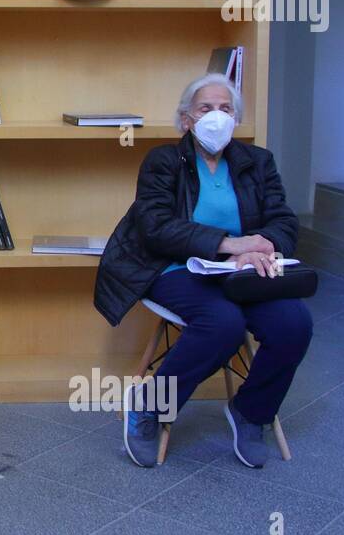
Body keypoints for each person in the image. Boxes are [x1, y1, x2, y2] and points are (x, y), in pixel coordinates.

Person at [94, 73, 312, 469]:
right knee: (222, 323)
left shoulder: (258, 162)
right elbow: (156, 227)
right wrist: (230, 244)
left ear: (236, 119)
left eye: (225, 109)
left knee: (294, 323)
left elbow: (284, 222)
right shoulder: (163, 161)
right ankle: (149, 406)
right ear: (186, 120)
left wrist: (260, 246)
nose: (216, 116)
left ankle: (251, 411)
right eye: (205, 108)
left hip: (243, 272)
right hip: (174, 268)